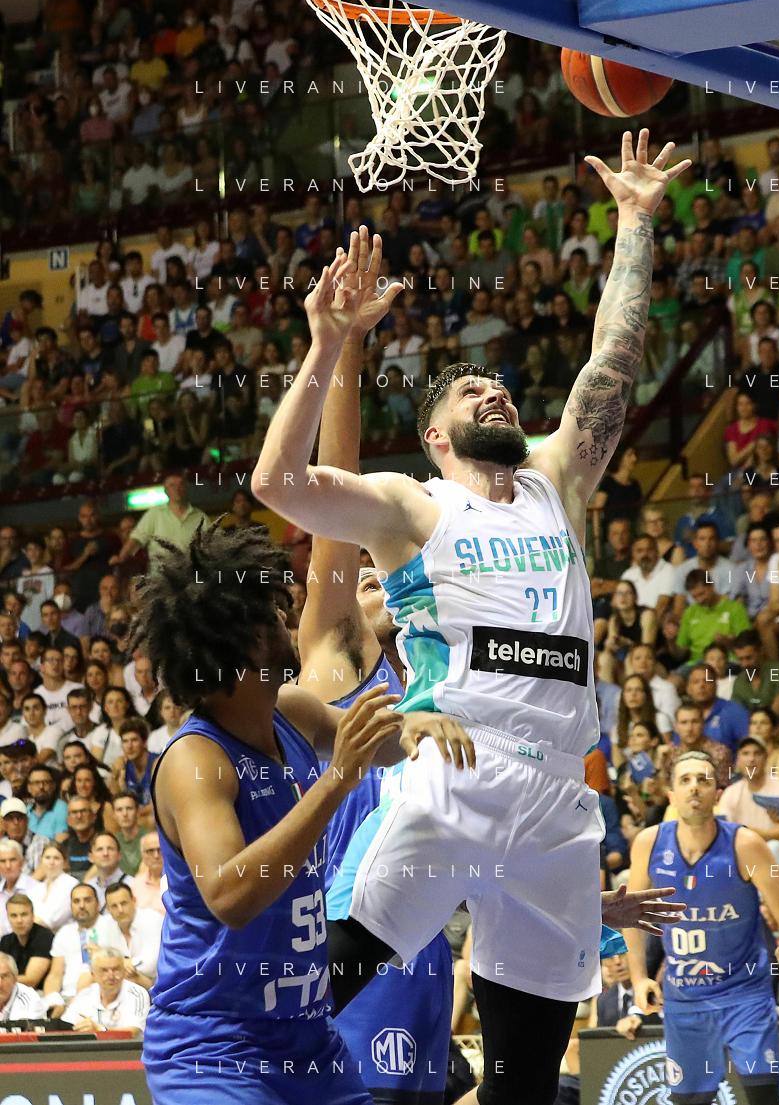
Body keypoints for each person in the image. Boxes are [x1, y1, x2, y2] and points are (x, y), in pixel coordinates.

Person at [252, 133, 690, 1105]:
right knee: (308, 1004)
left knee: (524, 1085)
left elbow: (612, 363)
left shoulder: (555, 482)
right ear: (436, 437)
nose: (494, 389)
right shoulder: (410, 506)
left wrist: (634, 220)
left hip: (558, 803)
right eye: (468, 390)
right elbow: (277, 483)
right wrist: (326, 344)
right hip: (453, 774)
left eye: (499, 385)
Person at [128, 522, 473, 1104]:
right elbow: (230, 896)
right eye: (274, 613)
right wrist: (337, 779)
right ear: (246, 640)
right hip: (215, 1051)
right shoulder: (195, 761)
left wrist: (424, 722)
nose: (288, 620)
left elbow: (380, 742)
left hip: (308, 1041)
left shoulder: (291, 710)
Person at [296, 314, 455, 1104]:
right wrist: (346, 343)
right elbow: (336, 482)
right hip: (351, 928)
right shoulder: (340, 660)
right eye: (358, 576)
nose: (372, 578)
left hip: (427, 948)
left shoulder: (438, 677)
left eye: (380, 571)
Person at [626, 750, 779, 1103]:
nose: (694, 787)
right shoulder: (648, 844)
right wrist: (639, 977)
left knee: (764, 1099)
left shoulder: (746, 844)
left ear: (718, 794)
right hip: (684, 1002)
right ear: (671, 795)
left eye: (703, 780)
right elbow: (632, 915)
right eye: (685, 780)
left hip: (746, 997)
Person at [42, 883, 118, 1013]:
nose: (81, 906)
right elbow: (55, 975)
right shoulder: (64, 932)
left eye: (87, 900)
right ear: (71, 905)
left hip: (98, 995)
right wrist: (52, 1001)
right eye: (76, 901)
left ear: (98, 904)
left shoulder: (111, 925)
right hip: (66, 997)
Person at [109, 474, 208, 568]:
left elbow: (213, 543)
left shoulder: (200, 516)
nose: (177, 488)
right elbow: (136, 539)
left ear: (185, 488)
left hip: (191, 572)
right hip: (161, 573)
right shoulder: (154, 513)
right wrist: (121, 557)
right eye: (172, 485)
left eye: (181, 484)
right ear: (166, 491)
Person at [62, 946, 150, 1036]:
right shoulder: (85, 995)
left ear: (124, 972)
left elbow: (132, 1032)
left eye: (116, 970)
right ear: (93, 974)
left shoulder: (137, 994)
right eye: (104, 970)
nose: (111, 976)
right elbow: (66, 1027)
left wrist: (100, 1030)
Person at [103, 881, 162, 989]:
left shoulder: (152, 919)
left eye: (124, 903)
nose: (120, 910)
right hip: (120, 977)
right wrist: (123, 965)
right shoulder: (105, 924)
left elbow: (150, 965)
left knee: (128, 978)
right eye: (114, 906)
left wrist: (117, 964)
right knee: (89, 977)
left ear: (134, 901)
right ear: (108, 909)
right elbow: (100, 961)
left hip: (154, 982)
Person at [0, 893, 52, 988]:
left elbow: (31, 980)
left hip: (39, 992)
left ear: (33, 916)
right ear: (8, 918)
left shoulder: (44, 937)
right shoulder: (5, 940)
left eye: (24, 915)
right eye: (14, 916)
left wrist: (5, 979)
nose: (19, 921)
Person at [35, 842, 79, 933]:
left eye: (56, 858)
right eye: (47, 858)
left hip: (64, 937)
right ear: (41, 862)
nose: (51, 862)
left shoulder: (70, 884)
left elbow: (50, 920)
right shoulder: (37, 888)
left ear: (65, 863)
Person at [83, 833, 135, 909]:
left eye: (110, 849)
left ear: (119, 855)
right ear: (91, 857)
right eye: (100, 849)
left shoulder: (133, 885)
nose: (105, 853)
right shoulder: (88, 888)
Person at [0, 952, 47, 1022]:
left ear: (15, 979)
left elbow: (23, 1028)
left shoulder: (29, 1001)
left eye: (4, 977)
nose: (0, 984)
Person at [131, 831, 165, 915]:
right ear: (142, 855)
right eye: (150, 851)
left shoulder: (179, 881)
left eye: (160, 849)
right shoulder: (135, 885)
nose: (156, 855)